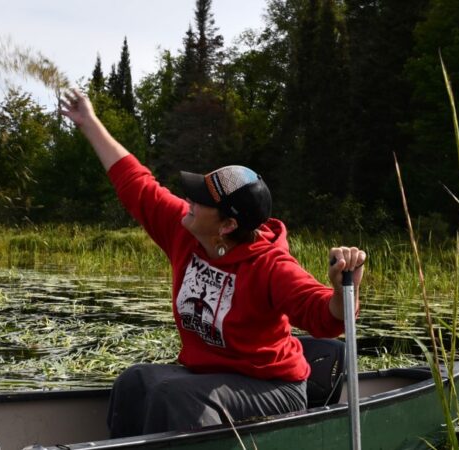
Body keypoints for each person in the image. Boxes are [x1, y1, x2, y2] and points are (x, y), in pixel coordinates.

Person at [60, 89, 366, 438]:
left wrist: (344, 287)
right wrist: (88, 122)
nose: (188, 199)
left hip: (274, 387)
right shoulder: (185, 230)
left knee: (176, 397)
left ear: (227, 226)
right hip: (209, 374)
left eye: (201, 199)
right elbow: (136, 184)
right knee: (134, 382)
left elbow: (325, 317)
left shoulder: (270, 265)